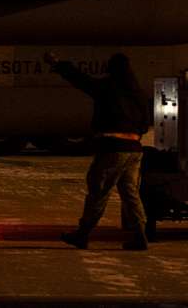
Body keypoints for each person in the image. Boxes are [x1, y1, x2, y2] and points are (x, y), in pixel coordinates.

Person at [44, 51, 152, 250]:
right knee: (131, 194)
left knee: (98, 191)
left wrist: (58, 65)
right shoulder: (140, 94)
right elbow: (146, 124)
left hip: (112, 148)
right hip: (135, 150)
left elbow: (81, 80)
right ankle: (140, 235)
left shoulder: (107, 88)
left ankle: (82, 234)